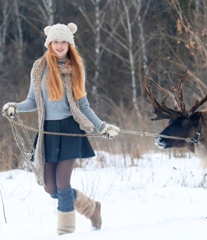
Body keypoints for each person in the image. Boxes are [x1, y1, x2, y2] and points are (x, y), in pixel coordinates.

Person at [2, 23, 120, 235]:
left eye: (63, 41)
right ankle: (92, 208)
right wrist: (16, 107)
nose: (59, 45)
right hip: (47, 131)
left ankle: (65, 232)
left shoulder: (75, 68)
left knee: (62, 183)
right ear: (49, 43)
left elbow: (84, 106)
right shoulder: (39, 68)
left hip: (70, 130)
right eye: (55, 41)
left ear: (69, 44)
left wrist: (102, 126)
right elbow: (32, 101)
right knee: (50, 188)